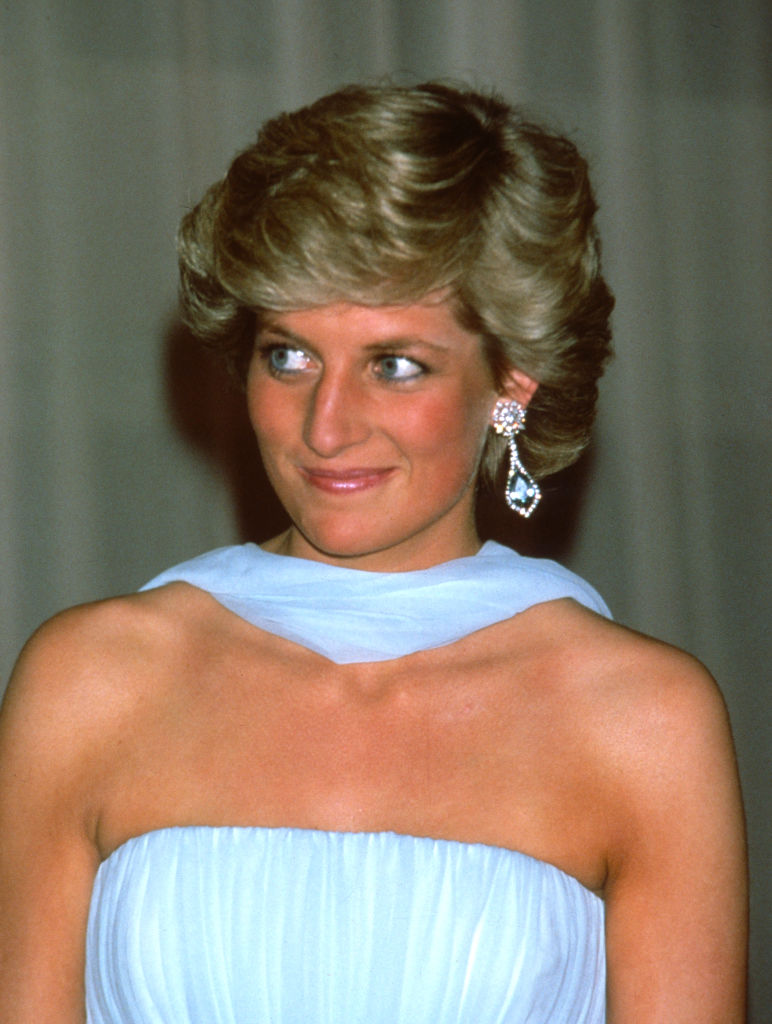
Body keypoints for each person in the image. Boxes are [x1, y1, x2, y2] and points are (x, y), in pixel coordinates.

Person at [0, 82, 746, 1023]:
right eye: (289, 355)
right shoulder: (93, 681)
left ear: (510, 383)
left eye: (394, 365)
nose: (326, 425)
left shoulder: (641, 720)